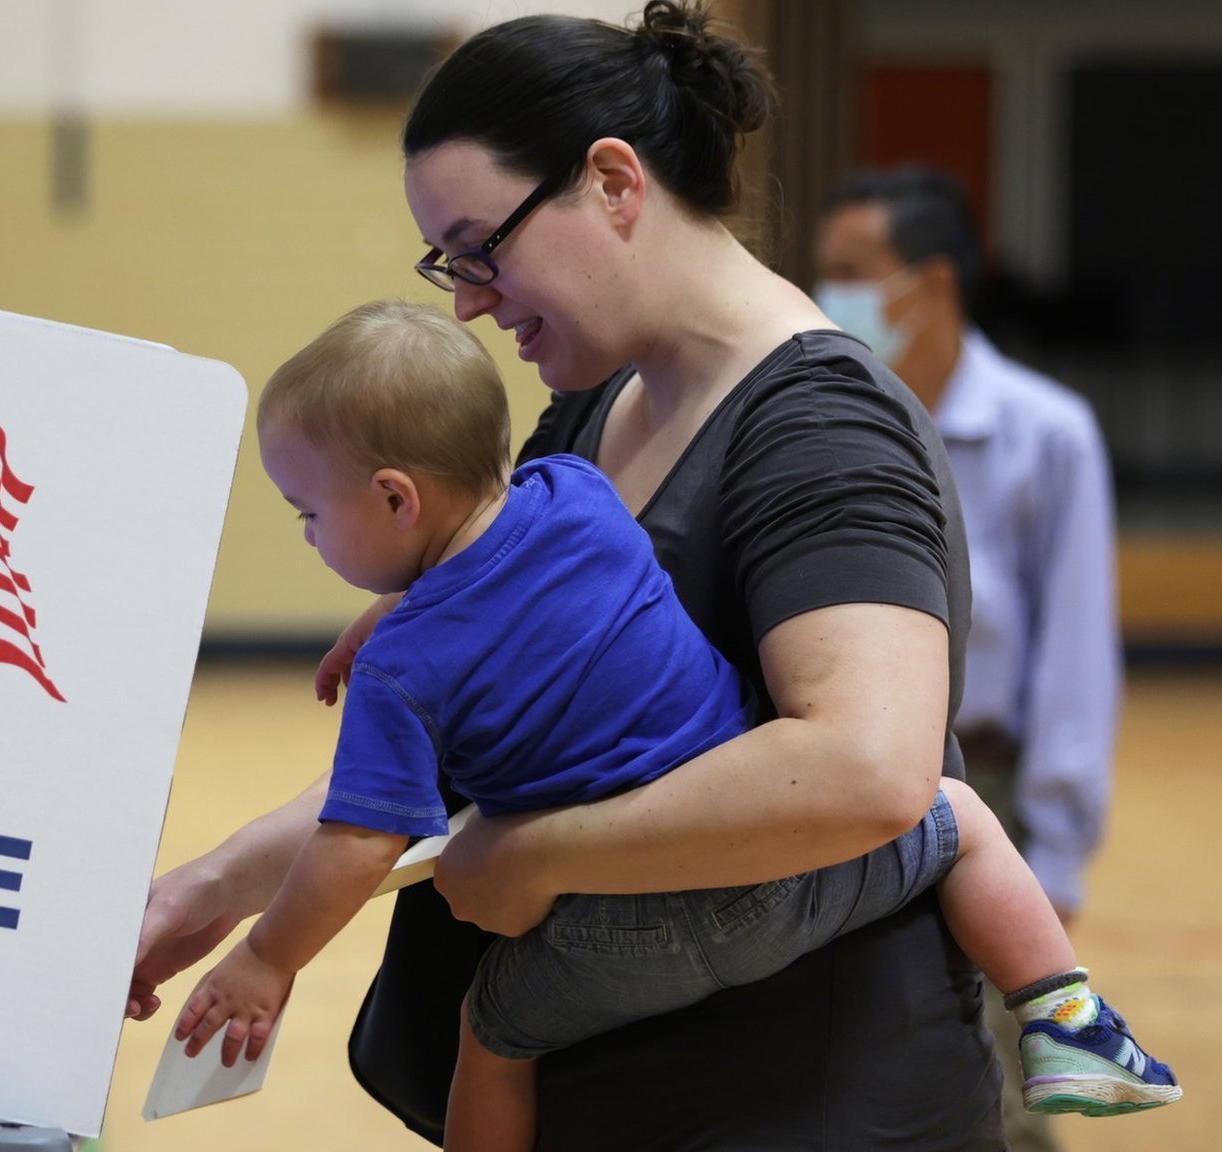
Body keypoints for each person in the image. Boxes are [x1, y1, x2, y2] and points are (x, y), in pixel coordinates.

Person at [127, 4, 1000, 1146]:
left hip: (802, 1105)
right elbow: (440, 749)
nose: (468, 301)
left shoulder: (817, 425)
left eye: (482, 247)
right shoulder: (591, 410)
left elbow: (866, 769)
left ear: (611, 183)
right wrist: (208, 889)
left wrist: (532, 852)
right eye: (447, 261)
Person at [168, 299, 1175, 1150]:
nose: (305, 534)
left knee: (494, 1024)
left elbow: (355, 842)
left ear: (392, 498)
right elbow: (489, 549)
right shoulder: (573, 494)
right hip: (782, 859)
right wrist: (395, 597)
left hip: (628, 920)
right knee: (958, 817)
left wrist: (267, 958)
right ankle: (1064, 1016)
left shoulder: (400, 673)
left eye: (306, 512)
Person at [814, 165, 1126, 1152]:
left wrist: (1059, 850)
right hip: (836, 788)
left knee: (1001, 1084)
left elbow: (1074, 656)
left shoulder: (1044, 435)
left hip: (984, 795)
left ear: (931, 282)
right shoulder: (820, 421)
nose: (832, 299)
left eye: (851, 272)